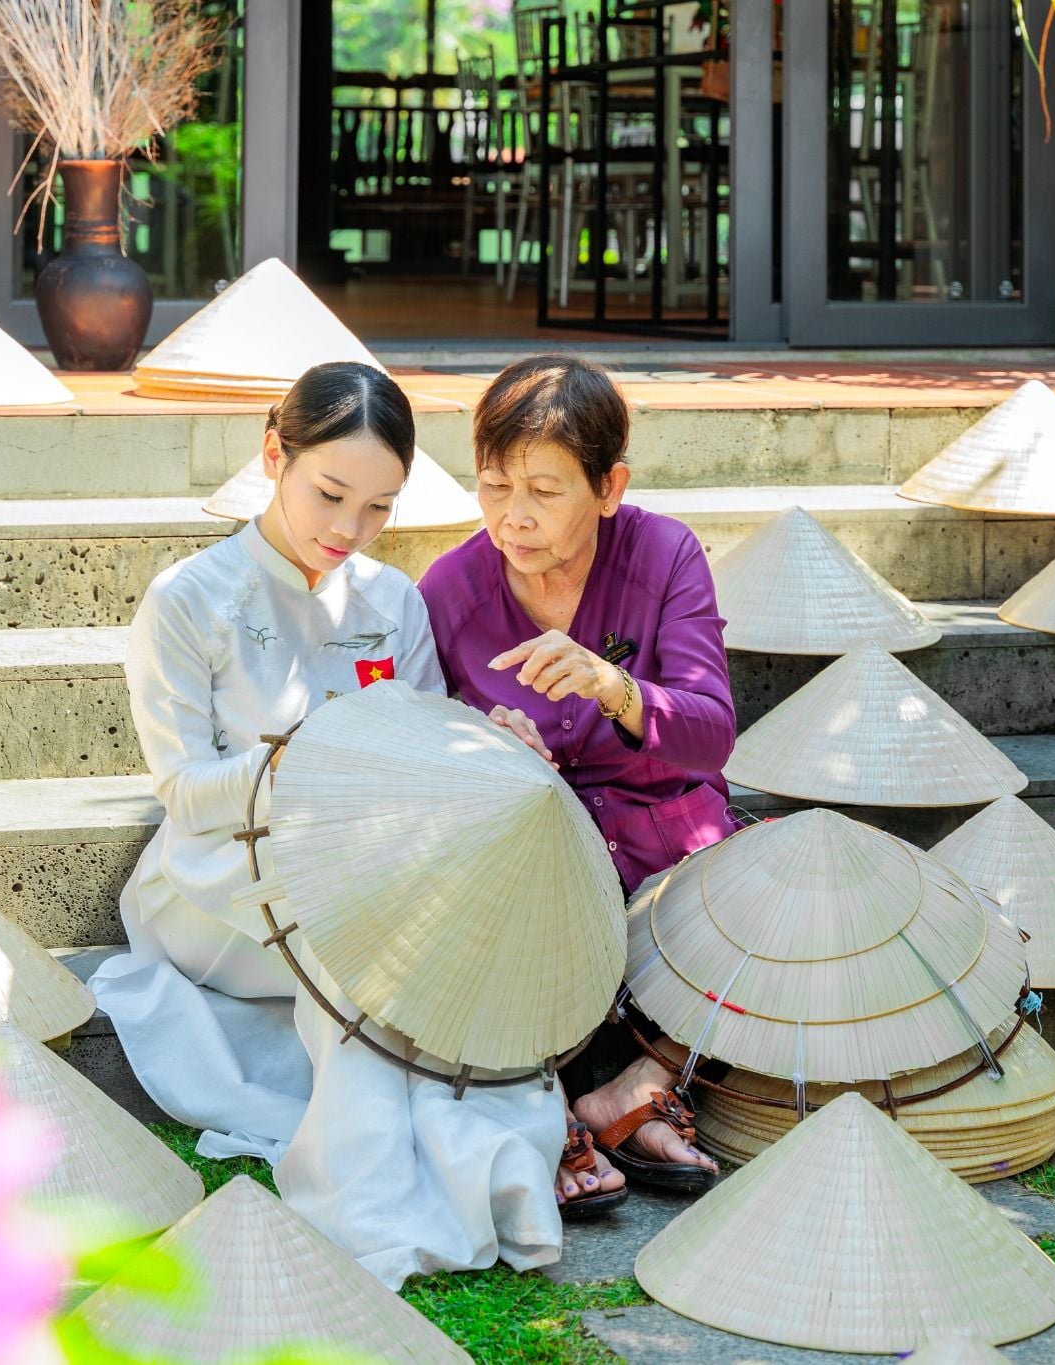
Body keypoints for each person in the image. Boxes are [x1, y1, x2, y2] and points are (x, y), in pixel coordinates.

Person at [89, 361, 566, 1287]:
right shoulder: (188, 601)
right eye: (331, 493)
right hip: (214, 875)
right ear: (275, 454)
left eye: (380, 508)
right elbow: (183, 792)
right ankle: (376, 1209)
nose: (350, 529)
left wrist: (487, 746)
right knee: (361, 952)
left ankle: (487, 1162)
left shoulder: (391, 603)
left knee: (438, 927)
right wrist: (300, 757)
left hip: (360, 865)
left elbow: (423, 761)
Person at [419, 355, 738, 1212]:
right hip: (536, 865)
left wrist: (613, 685)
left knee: (789, 907)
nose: (512, 517)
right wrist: (481, 749)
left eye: (543, 491)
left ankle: (635, 1084)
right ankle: (551, 1105)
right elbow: (412, 754)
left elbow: (712, 734)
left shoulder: (665, 553)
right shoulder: (448, 590)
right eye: (493, 487)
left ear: (609, 487)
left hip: (670, 844)